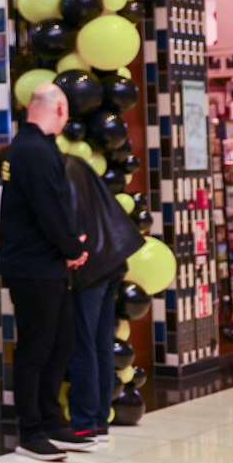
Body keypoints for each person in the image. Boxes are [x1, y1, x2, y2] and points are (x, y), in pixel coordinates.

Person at [0, 84, 93, 460]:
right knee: (36, 349)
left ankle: (52, 421)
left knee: (61, 343)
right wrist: (72, 246)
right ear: (58, 108)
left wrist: (69, 245)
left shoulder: (37, 146)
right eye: (66, 111)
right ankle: (30, 430)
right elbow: (48, 208)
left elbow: (53, 207)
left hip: (48, 264)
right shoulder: (33, 149)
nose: (67, 118)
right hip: (32, 267)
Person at [62, 154, 142, 445]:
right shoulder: (78, 164)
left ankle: (85, 422)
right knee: (101, 343)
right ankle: (98, 421)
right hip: (114, 260)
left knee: (84, 344)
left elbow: (69, 223)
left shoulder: (61, 171)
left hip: (92, 267)